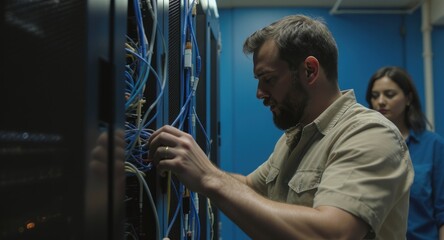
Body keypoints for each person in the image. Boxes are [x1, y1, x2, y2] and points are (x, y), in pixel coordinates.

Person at [148, 15, 414, 239]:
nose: (260, 93)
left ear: (310, 71)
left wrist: (210, 178)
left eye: (268, 79)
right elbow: (250, 187)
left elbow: (335, 233)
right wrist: (193, 166)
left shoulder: (369, 134)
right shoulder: (296, 137)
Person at [366, 66, 444, 240]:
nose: (381, 101)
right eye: (375, 96)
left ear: (408, 98)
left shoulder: (433, 146)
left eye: (390, 94)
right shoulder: (364, 145)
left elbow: (442, 212)